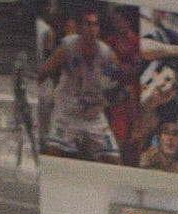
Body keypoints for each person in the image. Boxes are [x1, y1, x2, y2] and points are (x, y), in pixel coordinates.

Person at [39, 6, 123, 164]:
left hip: (94, 117)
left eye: (95, 24)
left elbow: (119, 85)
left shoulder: (107, 54)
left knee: (115, 162)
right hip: (67, 114)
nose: (92, 29)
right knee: (52, 156)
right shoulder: (67, 48)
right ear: (79, 27)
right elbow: (43, 73)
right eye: (88, 24)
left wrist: (115, 93)